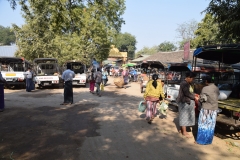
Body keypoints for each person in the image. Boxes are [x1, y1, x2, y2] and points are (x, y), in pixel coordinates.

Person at [195, 76, 220, 145]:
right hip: (214, 109)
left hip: (206, 109)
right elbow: (218, 95)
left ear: (206, 81)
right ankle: (208, 141)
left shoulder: (205, 88)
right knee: (211, 125)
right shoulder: (216, 88)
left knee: (203, 124)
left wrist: (198, 98)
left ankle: (201, 141)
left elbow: (202, 99)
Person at [176, 71, 196, 138]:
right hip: (183, 102)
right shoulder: (184, 83)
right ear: (188, 78)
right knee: (184, 117)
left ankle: (181, 129)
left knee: (184, 116)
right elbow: (187, 93)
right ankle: (184, 132)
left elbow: (190, 92)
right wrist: (195, 97)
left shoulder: (188, 83)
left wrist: (195, 95)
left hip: (186, 102)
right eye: (192, 78)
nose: (193, 80)